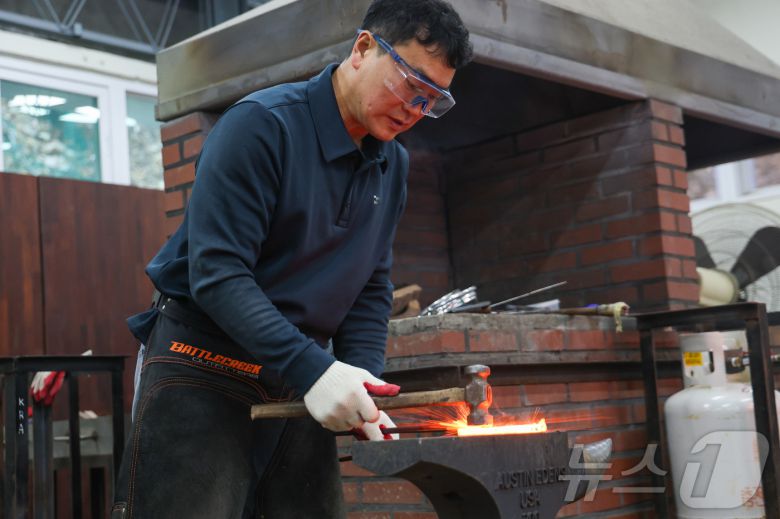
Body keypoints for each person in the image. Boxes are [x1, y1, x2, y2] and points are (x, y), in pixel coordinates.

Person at [111, 1, 472, 517]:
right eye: (410, 84)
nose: (415, 109)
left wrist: (360, 380)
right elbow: (217, 274)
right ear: (363, 48)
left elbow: (371, 284)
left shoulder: (393, 165)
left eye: (432, 100)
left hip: (299, 374)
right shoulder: (262, 126)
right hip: (204, 365)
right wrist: (316, 371)